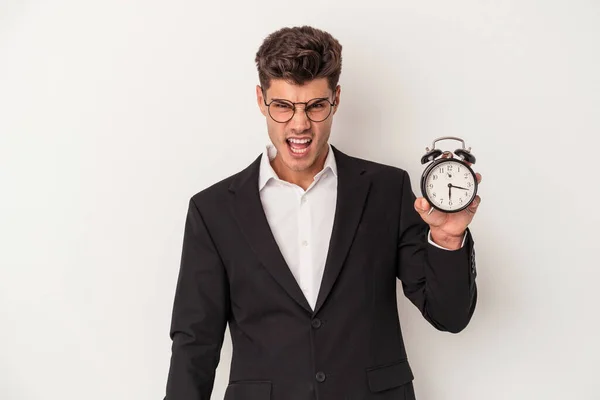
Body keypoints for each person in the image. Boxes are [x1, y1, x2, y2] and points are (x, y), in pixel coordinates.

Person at [164, 25, 482, 400]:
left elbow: (449, 316)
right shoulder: (213, 210)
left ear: (336, 99)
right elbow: (194, 343)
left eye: (315, 105)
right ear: (261, 99)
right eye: (282, 106)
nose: (299, 125)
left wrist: (447, 240)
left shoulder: (386, 190)